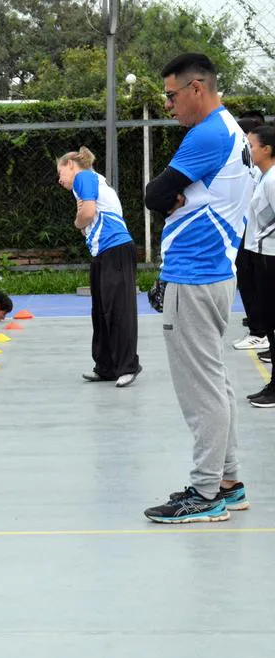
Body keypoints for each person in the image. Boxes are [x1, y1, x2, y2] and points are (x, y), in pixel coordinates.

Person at [142, 53, 252, 523]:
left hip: (196, 273)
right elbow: (165, 196)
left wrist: (169, 198)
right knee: (216, 383)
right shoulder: (229, 129)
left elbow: (153, 194)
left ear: (197, 88)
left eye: (171, 95)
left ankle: (205, 493)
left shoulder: (206, 133)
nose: (169, 105)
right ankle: (227, 483)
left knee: (201, 389)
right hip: (214, 272)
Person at [57, 146, 141, 388]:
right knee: (101, 311)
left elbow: (88, 213)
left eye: (61, 172)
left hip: (116, 249)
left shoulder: (83, 177)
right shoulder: (89, 183)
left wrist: (77, 221)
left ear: (72, 164)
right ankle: (105, 366)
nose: (59, 179)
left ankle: (128, 366)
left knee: (119, 310)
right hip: (103, 253)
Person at [241, 125, 275, 406]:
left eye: (252, 146)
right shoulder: (265, 177)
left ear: (267, 149)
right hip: (262, 256)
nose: (249, 151)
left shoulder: (274, 179)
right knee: (270, 323)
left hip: (271, 259)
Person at [232, 114, 268, 353]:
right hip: (248, 232)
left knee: (255, 283)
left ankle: (260, 331)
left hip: (257, 237)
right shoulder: (252, 168)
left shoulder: (266, 174)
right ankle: (259, 328)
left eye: (249, 142)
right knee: (248, 280)